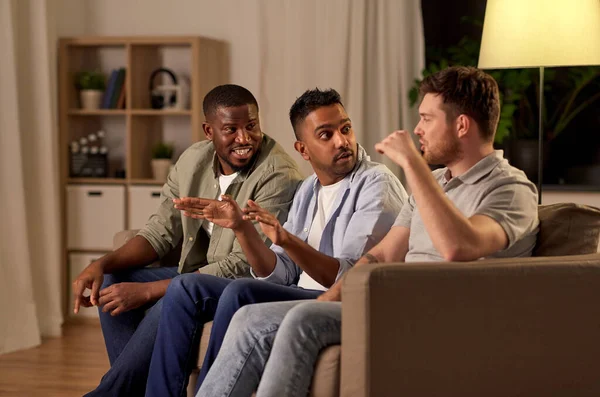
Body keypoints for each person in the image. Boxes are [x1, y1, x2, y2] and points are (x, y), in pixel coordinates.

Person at [198, 66, 540, 397]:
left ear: (462, 125)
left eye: (427, 118)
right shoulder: (435, 182)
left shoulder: (510, 189)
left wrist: (412, 165)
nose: (417, 129)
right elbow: (380, 255)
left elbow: (458, 248)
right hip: (394, 304)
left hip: (444, 316)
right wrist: (324, 301)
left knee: (300, 323)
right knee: (248, 317)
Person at [144, 88, 408, 397]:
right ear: (303, 149)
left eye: (345, 128)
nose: (342, 141)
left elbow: (347, 277)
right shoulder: (309, 189)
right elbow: (280, 271)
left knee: (239, 290)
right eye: (326, 135)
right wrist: (242, 228)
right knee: (190, 286)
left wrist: (287, 240)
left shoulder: (376, 183)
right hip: (298, 291)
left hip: (334, 299)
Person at [75, 84, 304, 397]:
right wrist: (101, 263)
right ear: (209, 130)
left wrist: (147, 292)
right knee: (113, 279)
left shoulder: (278, 174)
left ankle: (109, 393)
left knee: (172, 296)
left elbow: (245, 266)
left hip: (233, 285)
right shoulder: (191, 160)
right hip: (192, 275)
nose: (244, 138)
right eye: (231, 129)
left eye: (251, 126)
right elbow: (160, 232)